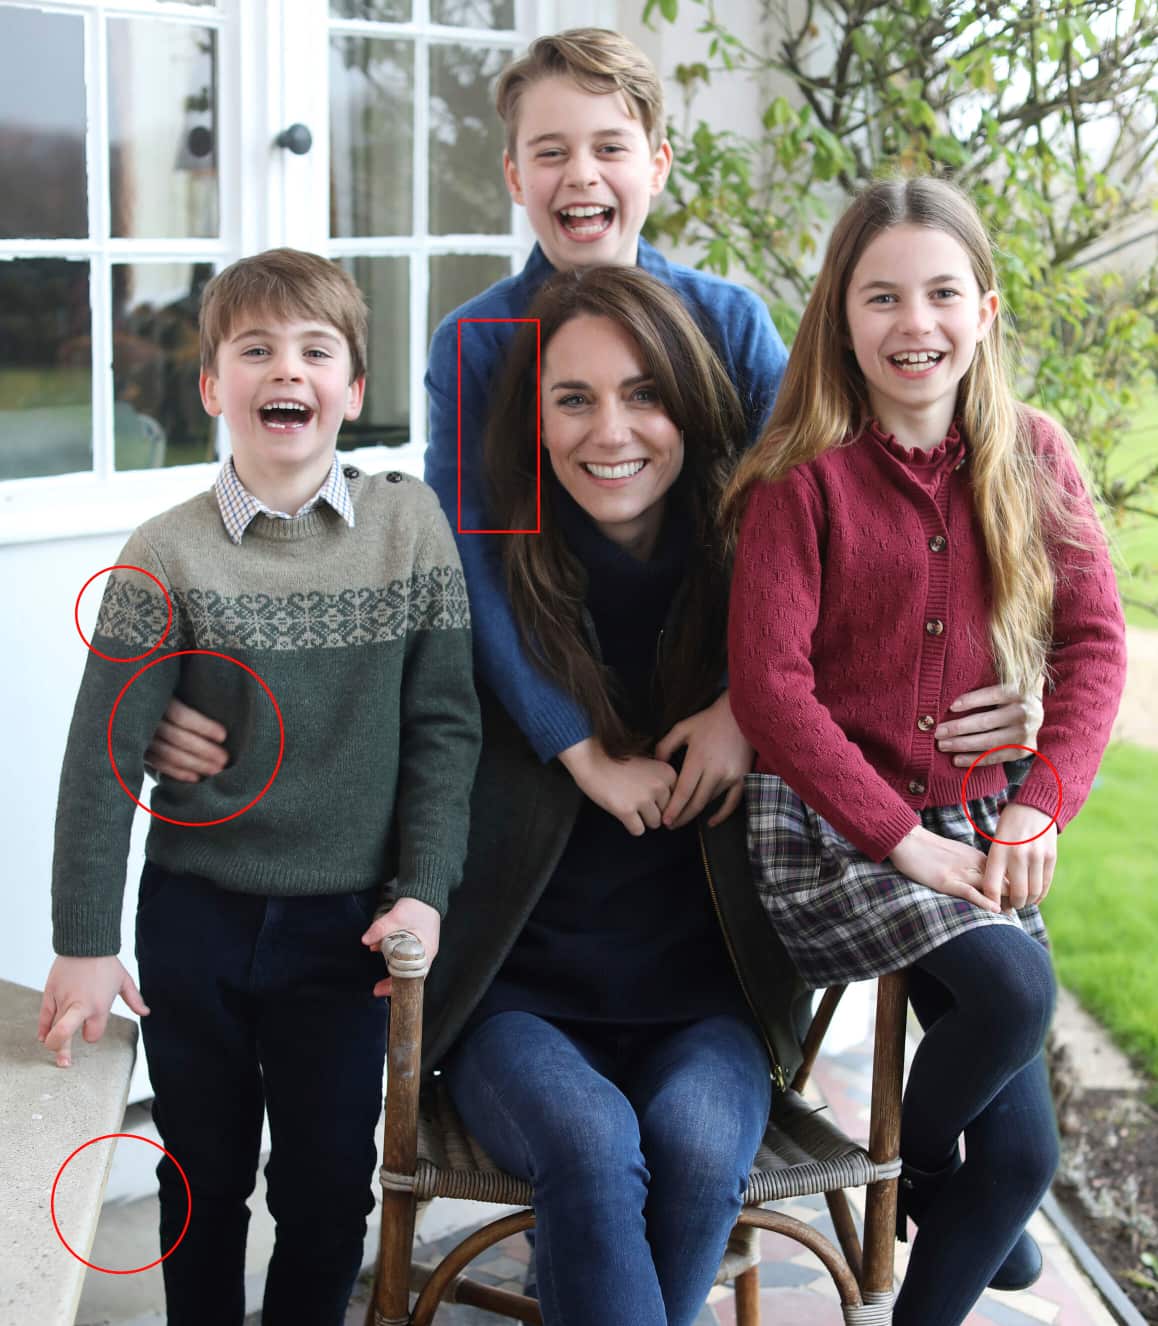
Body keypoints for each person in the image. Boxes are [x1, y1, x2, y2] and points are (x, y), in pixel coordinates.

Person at [148, 26, 1044, 814]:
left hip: (722, 694)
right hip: (552, 707)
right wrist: (576, 745)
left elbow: (826, 528)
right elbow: (475, 565)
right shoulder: (479, 343)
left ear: (656, 163)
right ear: (513, 175)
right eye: (549, 151)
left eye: (610, 147)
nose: (580, 174)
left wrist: (746, 710)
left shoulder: (729, 324)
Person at [39, 249, 481, 1326]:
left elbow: (444, 728)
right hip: (199, 916)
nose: (288, 368)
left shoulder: (407, 527)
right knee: (202, 1177)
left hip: (347, 933)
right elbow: (104, 752)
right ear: (211, 387)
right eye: (256, 350)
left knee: (330, 1187)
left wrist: (422, 887)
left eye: (316, 350)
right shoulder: (166, 555)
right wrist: (85, 944)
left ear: (353, 390)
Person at [725, 177, 1127, 1326]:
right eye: (883, 297)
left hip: (971, 822)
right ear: (841, 320)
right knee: (1013, 984)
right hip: (826, 830)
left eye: (943, 293)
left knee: (1025, 1168)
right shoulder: (800, 480)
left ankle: (944, 1178)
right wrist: (898, 838)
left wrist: (1036, 807)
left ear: (987, 311)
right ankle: (922, 1160)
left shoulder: (1032, 454)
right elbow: (771, 688)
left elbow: (1097, 646)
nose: (917, 324)